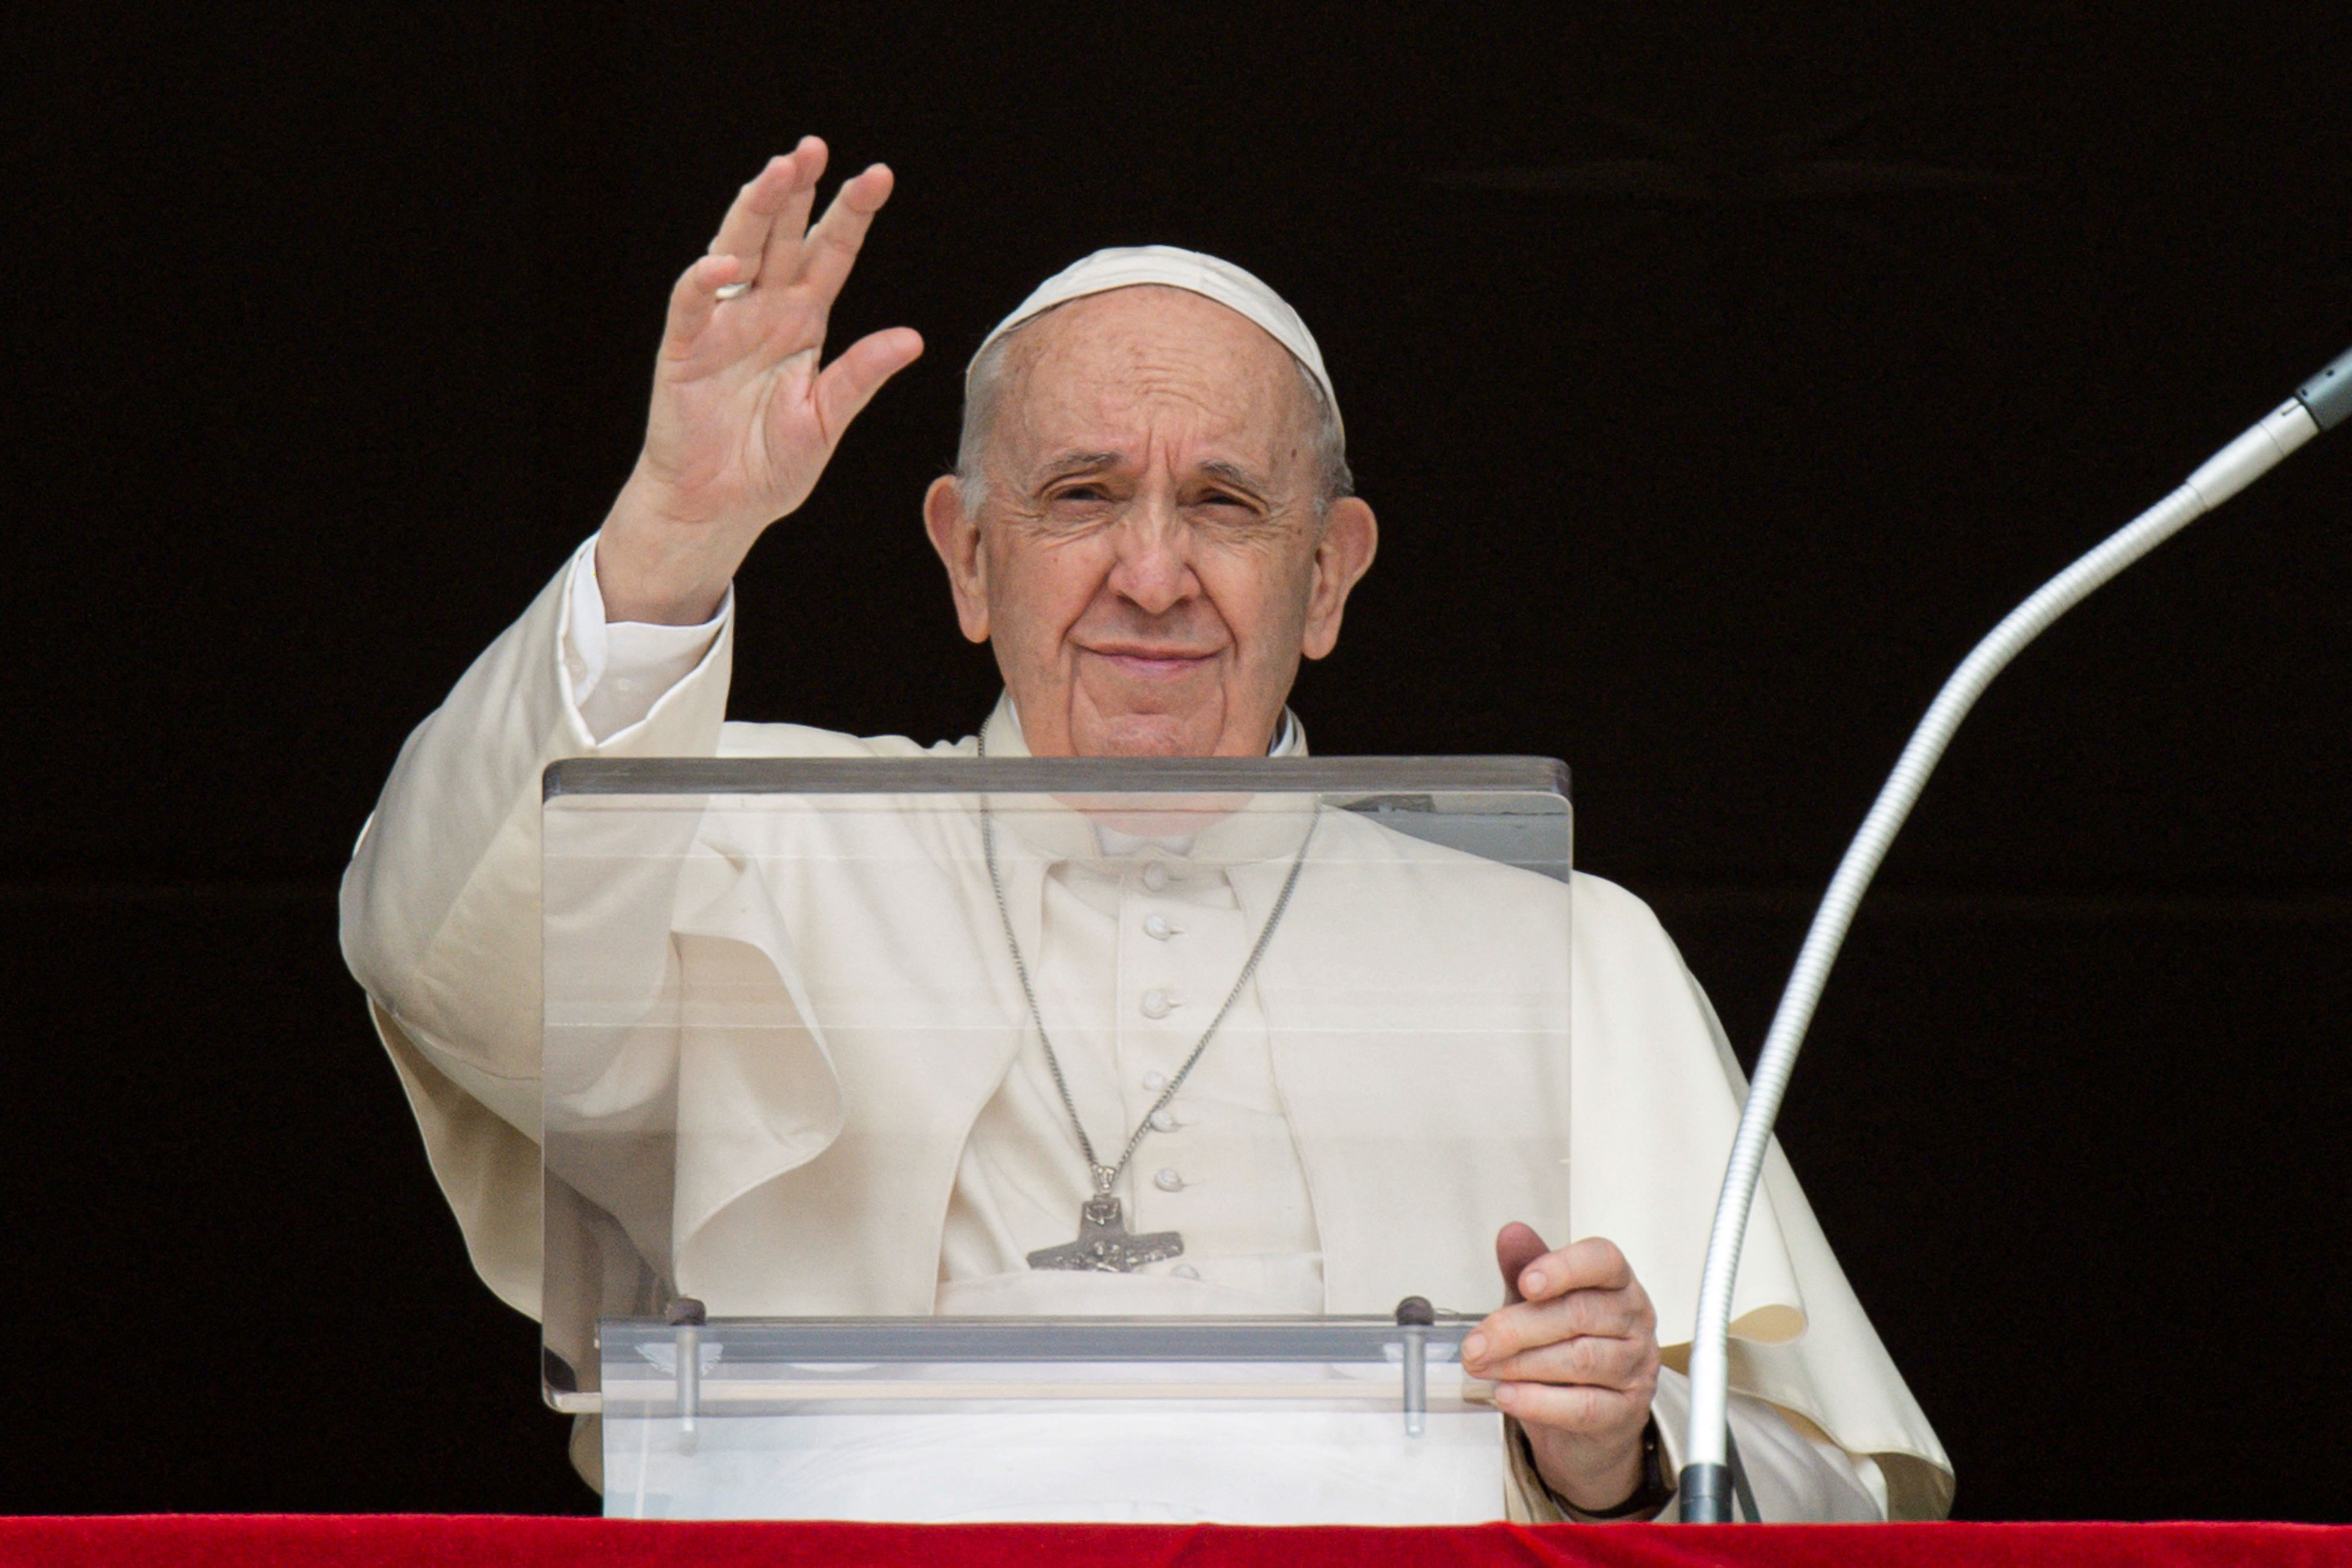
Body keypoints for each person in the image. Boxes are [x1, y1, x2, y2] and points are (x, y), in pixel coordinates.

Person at [340, 138, 1951, 1522]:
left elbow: (1835, 1496)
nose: (1157, 575)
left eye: (1229, 505)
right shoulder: (751, 844)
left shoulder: (1565, 951)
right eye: (1084, 496)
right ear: (968, 559)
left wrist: (1615, 1455)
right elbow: (439, 955)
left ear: (1329, 577)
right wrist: (674, 535)